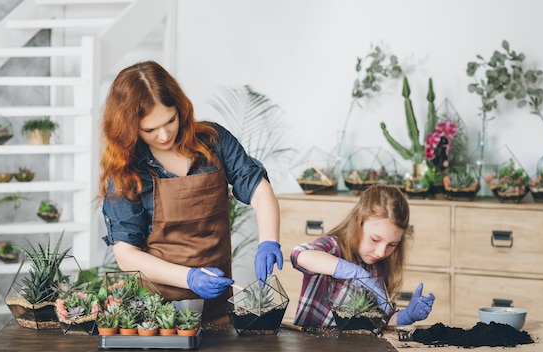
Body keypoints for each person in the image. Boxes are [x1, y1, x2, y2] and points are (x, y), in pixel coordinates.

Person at [98, 60, 283, 324]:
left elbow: (258, 189)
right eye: (149, 129)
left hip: (217, 308)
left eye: (170, 120)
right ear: (129, 128)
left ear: (180, 108)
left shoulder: (213, 142)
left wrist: (268, 241)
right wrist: (189, 277)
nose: (163, 135)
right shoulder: (127, 172)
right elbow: (126, 256)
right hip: (157, 315)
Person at [290, 185, 434, 327]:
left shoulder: (379, 268)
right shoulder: (333, 248)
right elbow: (300, 255)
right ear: (358, 223)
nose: (381, 253)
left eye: (392, 244)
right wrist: (354, 272)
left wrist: (406, 316)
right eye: (375, 240)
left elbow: (378, 319)